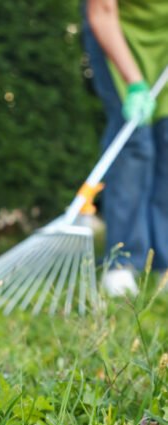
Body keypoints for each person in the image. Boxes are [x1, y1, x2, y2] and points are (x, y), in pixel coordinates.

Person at [83, 0, 168, 296]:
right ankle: (123, 261)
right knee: (134, 145)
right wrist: (135, 84)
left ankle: (163, 263)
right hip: (121, 32)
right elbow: (102, 10)